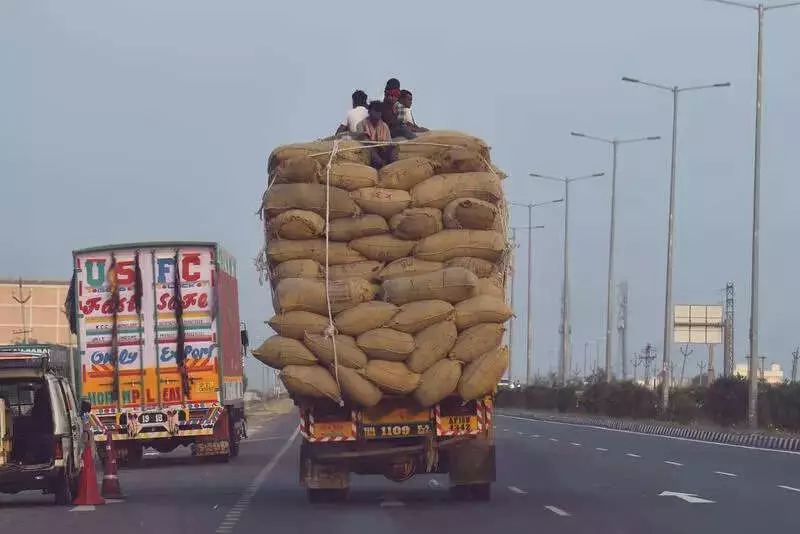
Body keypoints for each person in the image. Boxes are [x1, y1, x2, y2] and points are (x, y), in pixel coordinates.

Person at [354, 100, 397, 169]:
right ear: (369, 111)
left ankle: (390, 167)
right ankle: (380, 164)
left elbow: (389, 142)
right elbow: (362, 141)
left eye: (379, 111)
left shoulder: (384, 126)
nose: (378, 113)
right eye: (376, 110)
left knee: (392, 147)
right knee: (366, 141)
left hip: (382, 151)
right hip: (368, 152)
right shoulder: (361, 124)